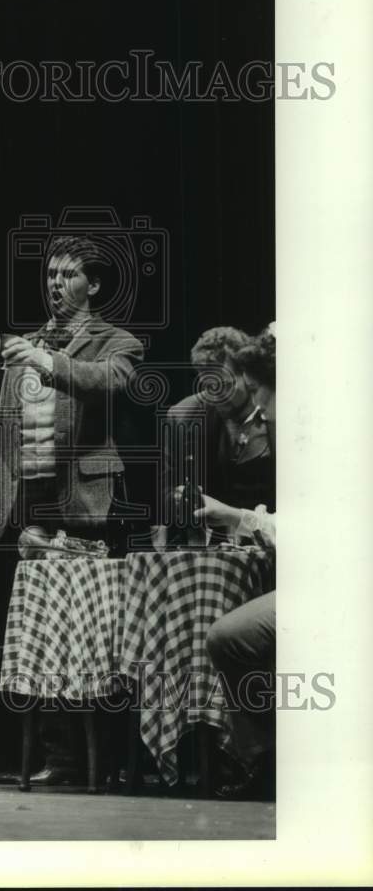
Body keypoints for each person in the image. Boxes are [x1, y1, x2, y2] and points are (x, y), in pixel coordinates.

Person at [0, 234, 145, 785]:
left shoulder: (117, 341)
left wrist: (47, 361)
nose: (55, 282)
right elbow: (6, 427)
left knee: (98, 635)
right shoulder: (27, 345)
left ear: (93, 284)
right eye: (50, 273)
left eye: (69, 274)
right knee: (46, 631)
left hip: (89, 504)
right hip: (37, 501)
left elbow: (111, 383)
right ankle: (60, 755)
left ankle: (115, 760)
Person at [200, 325, 277, 799]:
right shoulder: (200, 420)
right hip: (248, 549)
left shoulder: (283, 422)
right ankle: (247, 755)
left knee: (229, 634)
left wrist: (240, 520)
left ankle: (259, 757)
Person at [162, 325, 275, 535]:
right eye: (208, 386)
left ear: (248, 375)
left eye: (225, 385)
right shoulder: (183, 417)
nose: (216, 397)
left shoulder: (275, 407)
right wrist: (178, 498)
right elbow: (165, 492)